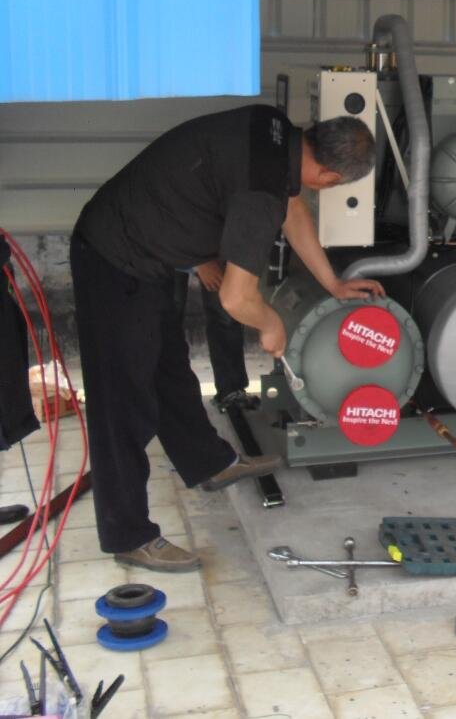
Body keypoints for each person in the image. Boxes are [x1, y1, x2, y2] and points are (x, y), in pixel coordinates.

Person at [71, 104, 385, 572]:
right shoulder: (261, 195)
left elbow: (293, 209)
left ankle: (207, 463)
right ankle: (128, 534)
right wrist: (271, 323)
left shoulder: (275, 129)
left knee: (168, 368)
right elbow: (237, 299)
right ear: (329, 176)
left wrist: (333, 283)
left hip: (147, 250)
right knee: (122, 402)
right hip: (113, 256)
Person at [173, 259, 253, 414]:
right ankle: (165, 392)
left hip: (213, 253)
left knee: (225, 316)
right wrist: (200, 263)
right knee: (166, 321)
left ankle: (231, 390)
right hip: (169, 253)